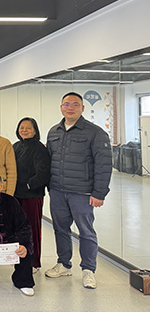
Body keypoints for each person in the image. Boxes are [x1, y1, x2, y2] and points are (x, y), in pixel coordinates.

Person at [44, 92, 112, 289]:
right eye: (66, 104)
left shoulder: (95, 133)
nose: (70, 108)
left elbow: (103, 165)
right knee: (60, 229)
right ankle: (64, 264)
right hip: (57, 190)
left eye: (75, 104)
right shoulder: (54, 131)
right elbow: (48, 160)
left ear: (82, 108)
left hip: (82, 192)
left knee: (86, 231)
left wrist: (99, 193)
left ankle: (88, 270)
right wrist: (49, 186)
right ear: (61, 107)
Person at [13, 117, 51, 273]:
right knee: (18, 229)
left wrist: (28, 185)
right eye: (22, 127)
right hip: (16, 195)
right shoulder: (15, 146)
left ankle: (33, 261)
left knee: (32, 229)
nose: (24, 130)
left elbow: (43, 173)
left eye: (28, 128)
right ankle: (20, 259)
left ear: (35, 131)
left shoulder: (39, 148)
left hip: (32, 196)